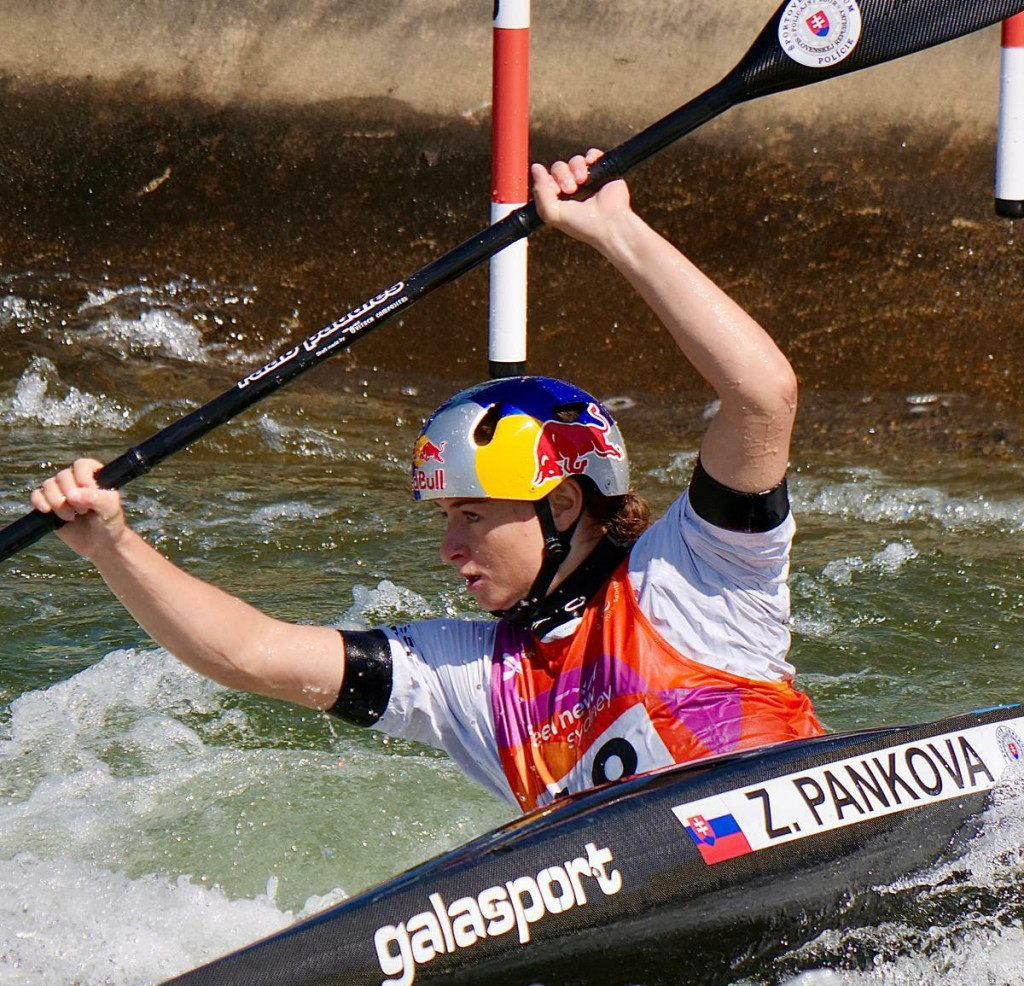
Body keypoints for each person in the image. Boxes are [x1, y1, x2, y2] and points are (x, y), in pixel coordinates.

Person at [30, 149, 823, 812]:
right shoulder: (467, 677)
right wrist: (113, 547)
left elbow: (764, 396)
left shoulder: (694, 572)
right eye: (447, 517)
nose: (449, 547)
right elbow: (251, 652)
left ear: (563, 503)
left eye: (472, 515)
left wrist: (618, 232)